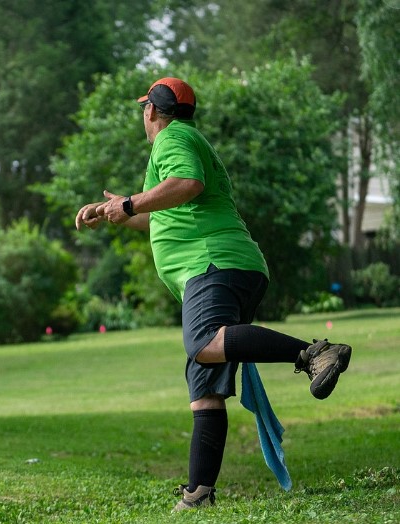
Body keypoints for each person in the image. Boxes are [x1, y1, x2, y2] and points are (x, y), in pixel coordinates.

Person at [74, 77, 352, 511]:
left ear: (150, 110)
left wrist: (129, 202)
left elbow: (188, 184)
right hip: (220, 266)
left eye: (143, 108)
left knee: (203, 344)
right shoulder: (185, 138)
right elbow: (168, 216)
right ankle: (199, 493)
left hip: (213, 264)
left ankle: (316, 353)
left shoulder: (172, 140)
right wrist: (114, 213)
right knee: (204, 384)